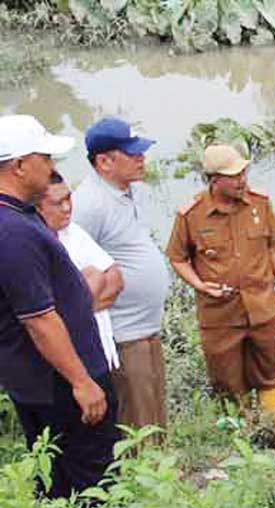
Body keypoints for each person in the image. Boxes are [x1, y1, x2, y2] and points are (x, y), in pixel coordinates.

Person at [0, 115, 119, 498]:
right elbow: (39, 319)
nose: (52, 168)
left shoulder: (20, 216)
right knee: (90, 482)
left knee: (63, 478)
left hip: (49, 381)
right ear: (19, 165)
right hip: (60, 386)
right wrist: (82, 381)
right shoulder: (12, 231)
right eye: (45, 158)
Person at [165, 144, 275, 426]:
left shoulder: (260, 204)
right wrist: (200, 285)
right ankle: (241, 435)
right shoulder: (191, 216)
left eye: (244, 172)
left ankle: (273, 426)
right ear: (214, 180)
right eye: (234, 175)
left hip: (261, 307)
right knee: (227, 380)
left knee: (269, 370)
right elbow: (177, 258)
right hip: (220, 315)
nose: (242, 180)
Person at [72, 117, 170, 432]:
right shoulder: (89, 204)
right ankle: (144, 477)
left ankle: (161, 474)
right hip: (122, 334)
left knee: (153, 410)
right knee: (136, 419)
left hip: (144, 329)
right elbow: (75, 269)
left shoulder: (125, 193)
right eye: (132, 153)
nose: (142, 159)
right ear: (104, 161)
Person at [37, 172, 124, 372]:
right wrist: (93, 283)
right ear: (37, 207)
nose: (67, 208)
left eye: (68, 198)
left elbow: (115, 279)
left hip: (102, 351)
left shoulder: (73, 233)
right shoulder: (30, 243)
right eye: (57, 203)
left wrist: (74, 312)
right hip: (65, 364)